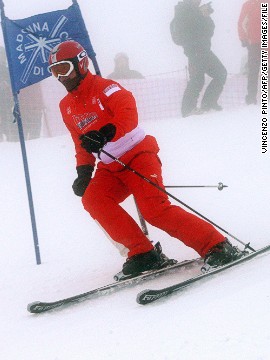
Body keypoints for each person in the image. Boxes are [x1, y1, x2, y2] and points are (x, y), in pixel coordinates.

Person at [48, 40, 244, 276]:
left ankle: (217, 246)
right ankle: (142, 253)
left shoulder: (106, 88)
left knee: (154, 210)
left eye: (64, 69)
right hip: (110, 166)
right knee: (93, 199)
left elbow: (128, 113)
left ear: (81, 64)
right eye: (55, 71)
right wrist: (83, 172)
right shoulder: (66, 106)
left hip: (138, 155)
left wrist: (106, 132)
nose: (61, 77)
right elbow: (80, 143)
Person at [173, 0, 227, 117]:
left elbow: (209, 31)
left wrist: (205, 16)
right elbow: (187, 30)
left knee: (218, 74)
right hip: (194, 51)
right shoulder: (183, 10)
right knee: (198, 79)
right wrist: (200, 14)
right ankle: (188, 110)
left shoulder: (195, 11)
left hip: (204, 50)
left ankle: (208, 104)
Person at [0, 46, 43, 142]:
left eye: (2, 55)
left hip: (11, 108)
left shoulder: (10, 70)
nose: (2, 58)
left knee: (13, 138)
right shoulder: (9, 70)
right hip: (8, 109)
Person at [238, 0, 261, 105]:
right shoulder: (249, 5)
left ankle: (253, 98)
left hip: (256, 43)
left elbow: (241, 23)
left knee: (255, 71)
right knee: (253, 71)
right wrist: (244, 38)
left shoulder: (250, 4)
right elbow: (241, 23)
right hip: (254, 43)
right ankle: (251, 98)